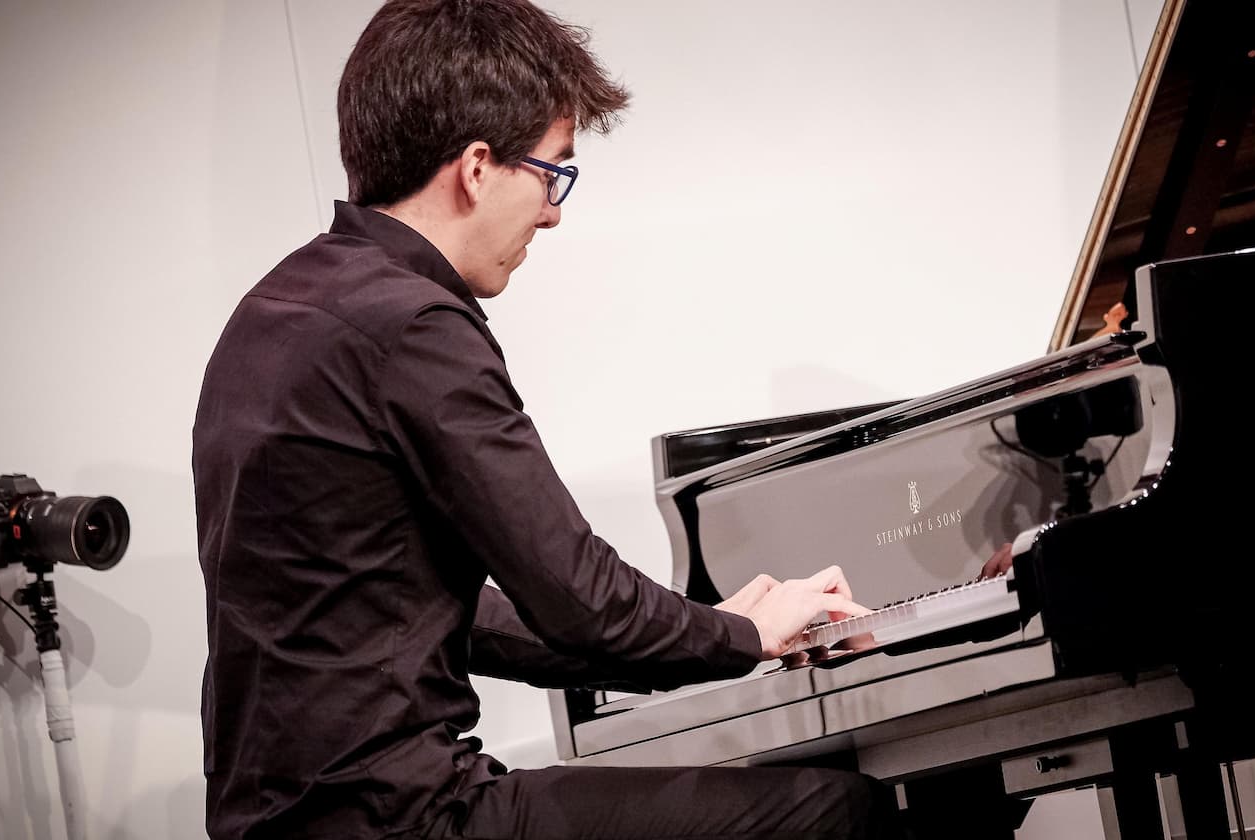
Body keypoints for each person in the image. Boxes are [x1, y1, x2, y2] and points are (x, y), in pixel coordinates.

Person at [191, 1, 908, 838]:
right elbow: (578, 597)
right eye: (552, 173)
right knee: (842, 810)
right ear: (478, 167)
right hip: (404, 819)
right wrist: (738, 637)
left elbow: (417, 611)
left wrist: (717, 635)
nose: (554, 212)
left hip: (279, 821)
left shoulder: (274, 311)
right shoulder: (413, 325)